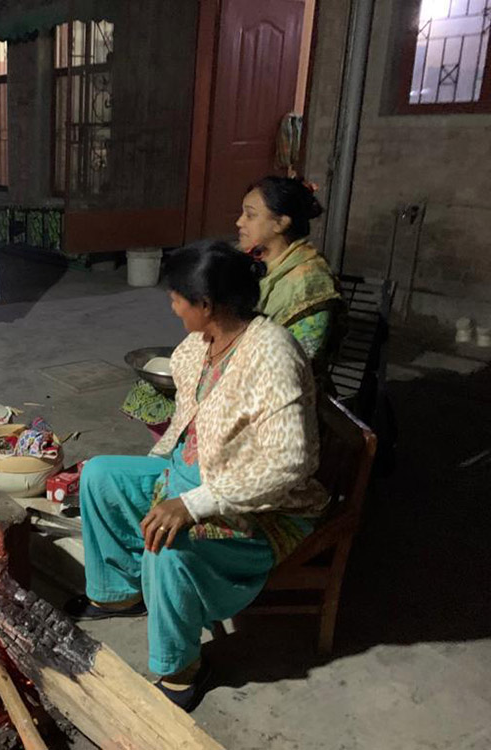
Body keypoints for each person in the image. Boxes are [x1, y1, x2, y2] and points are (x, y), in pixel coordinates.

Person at [67, 243, 328, 712]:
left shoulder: (272, 355)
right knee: (100, 475)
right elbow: (192, 414)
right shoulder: (201, 343)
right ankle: (122, 593)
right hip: (191, 470)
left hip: (260, 505)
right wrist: (173, 480)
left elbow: (290, 465)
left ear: (206, 305)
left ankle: (183, 666)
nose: (171, 306)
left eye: (176, 298)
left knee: (167, 546)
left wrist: (192, 504)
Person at [120, 175, 341, 440]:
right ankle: (183, 461)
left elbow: (296, 363)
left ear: (281, 222)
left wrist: (225, 374)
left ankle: (197, 463)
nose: (239, 222)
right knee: (150, 390)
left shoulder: (308, 282)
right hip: (231, 362)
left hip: (273, 395)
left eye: (250, 215)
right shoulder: (249, 258)